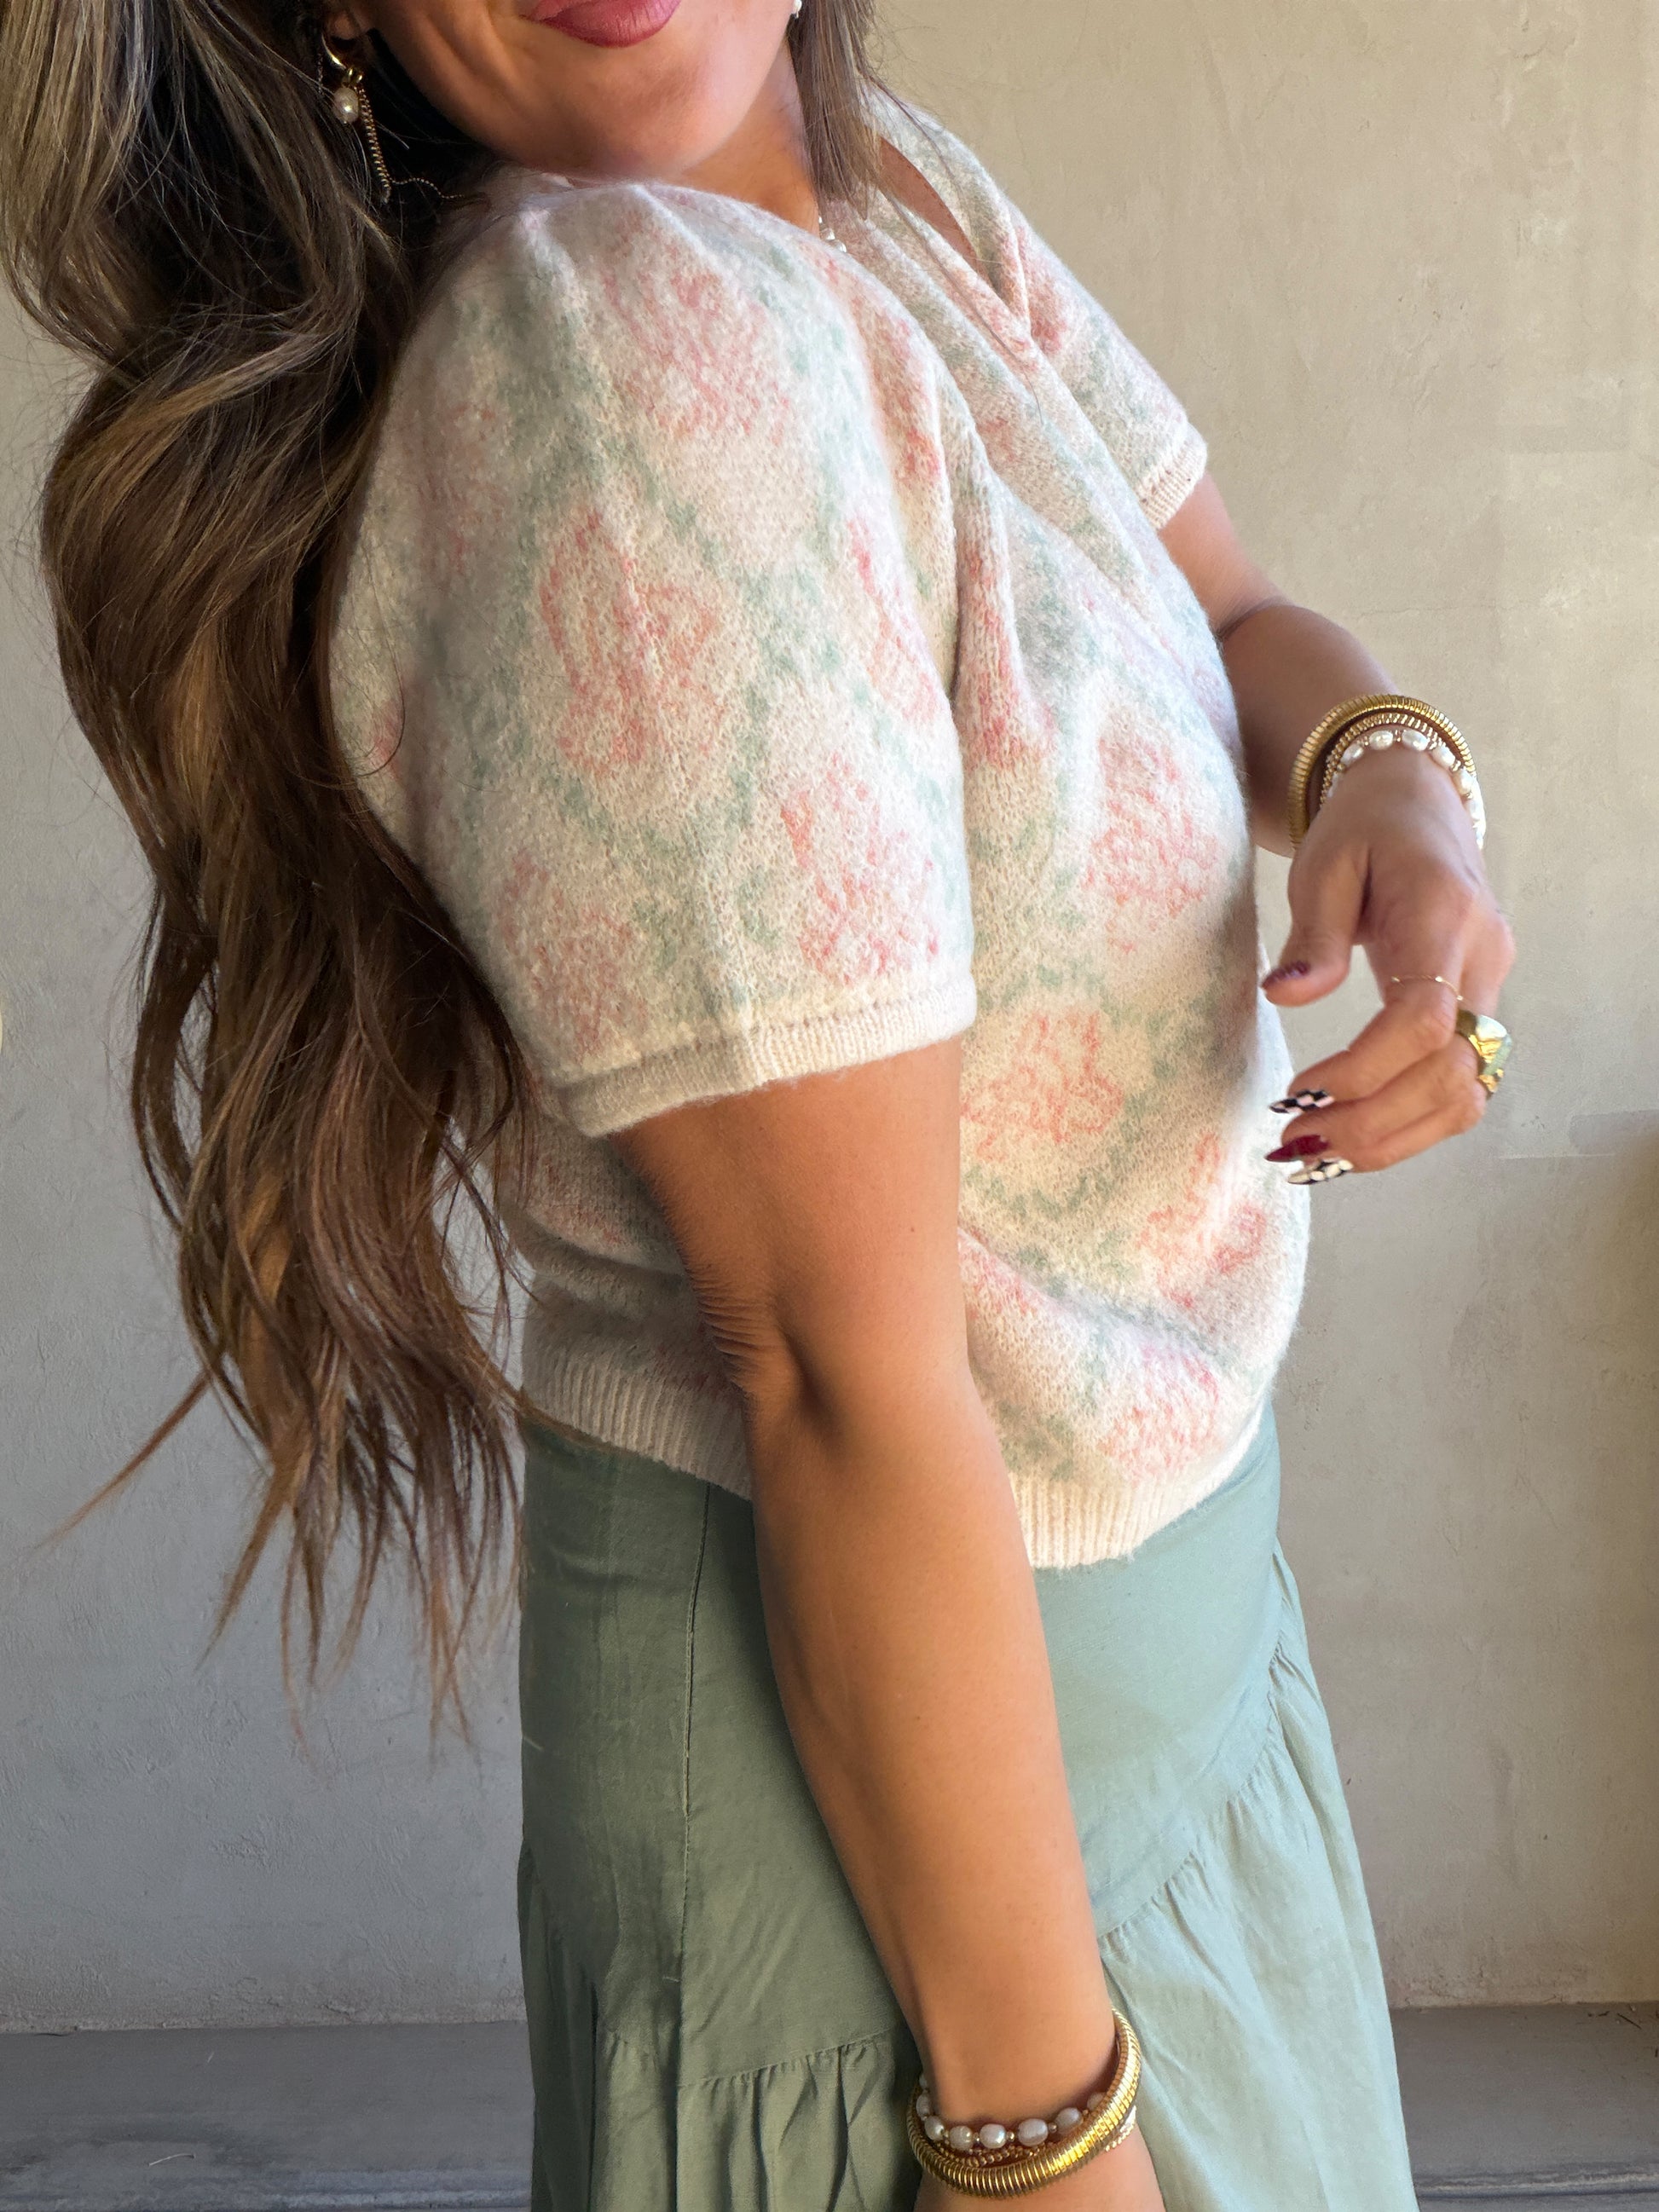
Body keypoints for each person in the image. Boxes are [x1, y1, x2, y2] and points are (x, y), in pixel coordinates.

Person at [0, 0, 1514, 2204]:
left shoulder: (880, 192)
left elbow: (1242, 615)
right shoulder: (625, 354)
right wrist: (1037, 2144)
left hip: (1154, 1689)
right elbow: (829, 1368)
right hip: (930, 1857)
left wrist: (1395, 778)